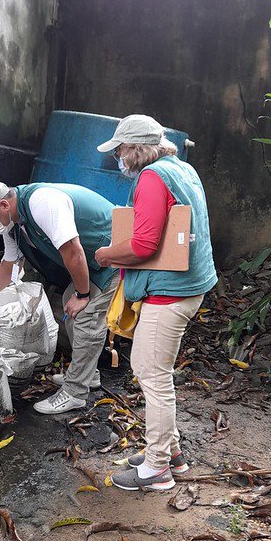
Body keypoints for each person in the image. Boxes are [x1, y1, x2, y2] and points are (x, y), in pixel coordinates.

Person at [95, 115, 217, 492]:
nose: (118, 156)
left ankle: (157, 468)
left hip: (170, 293)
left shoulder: (151, 178)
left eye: (119, 149)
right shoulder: (180, 169)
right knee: (154, 370)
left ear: (135, 149)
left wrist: (105, 255)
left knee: (152, 374)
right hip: (189, 286)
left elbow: (142, 246)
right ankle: (173, 454)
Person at [0, 180, 119, 414]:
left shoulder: (42, 202)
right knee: (70, 304)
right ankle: (87, 375)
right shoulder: (13, 224)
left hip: (112, 251)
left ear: (3, 205)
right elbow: (8, 266)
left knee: (86, 314)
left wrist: (83, 294)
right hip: (93, 257)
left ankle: (75, 393)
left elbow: (73, 249)